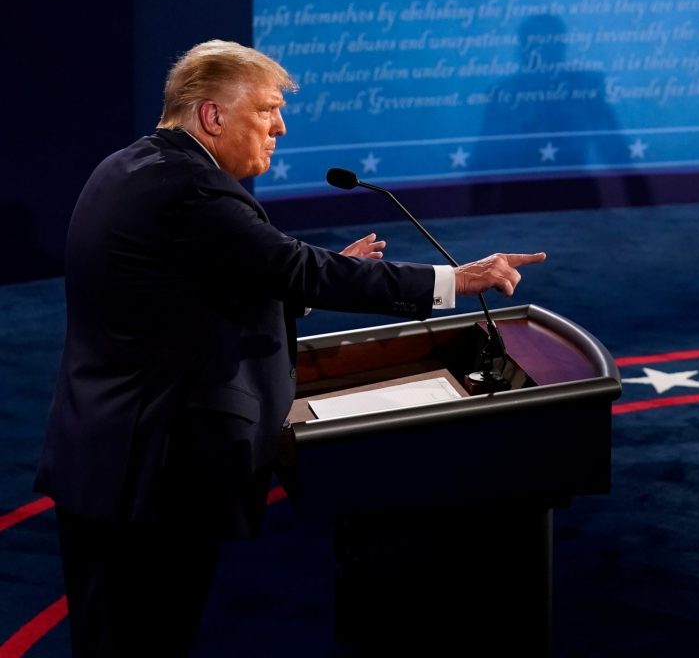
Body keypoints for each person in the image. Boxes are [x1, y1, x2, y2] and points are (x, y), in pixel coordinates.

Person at [34, 39, 546, 656]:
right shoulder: (191, 190)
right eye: (267, 110)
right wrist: (455, 280)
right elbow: (295, 266)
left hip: (109, 456)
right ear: (213, 116)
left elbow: (196, 293)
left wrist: (299, 282)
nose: (281, 126)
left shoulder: (133, 166)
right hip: (152, 475)